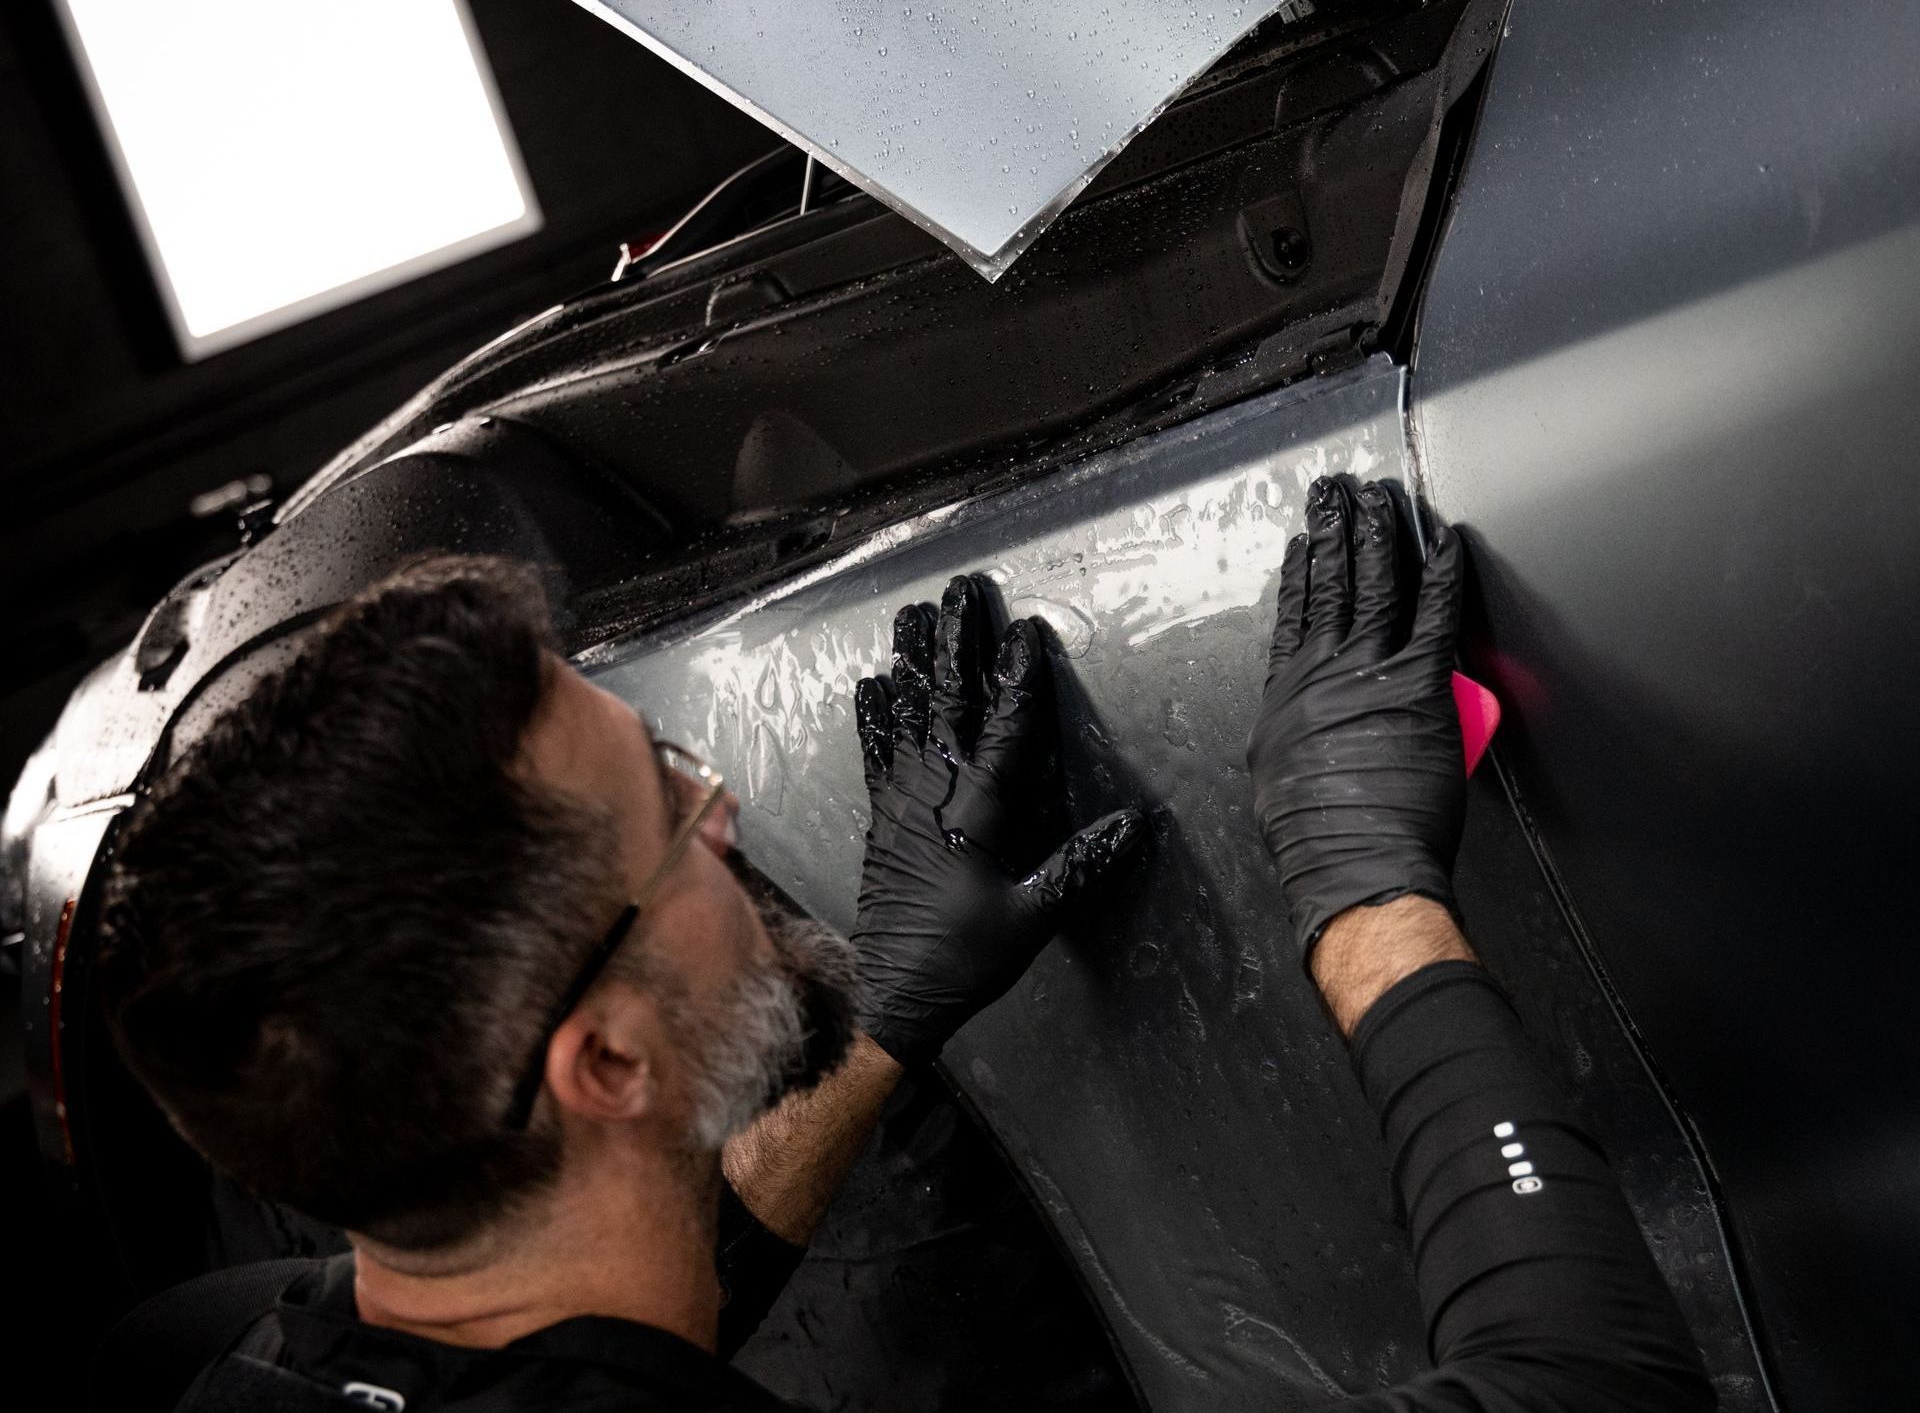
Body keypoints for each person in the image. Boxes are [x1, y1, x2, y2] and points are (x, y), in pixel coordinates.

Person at [93, 475, 1713, 1411]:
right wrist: (1369, 894)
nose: (726, 806)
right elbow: (1592, 1390)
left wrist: (877, 1019)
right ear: (603, 1061)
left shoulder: (232, 1363)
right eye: (669, 816)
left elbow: (602, 1324)